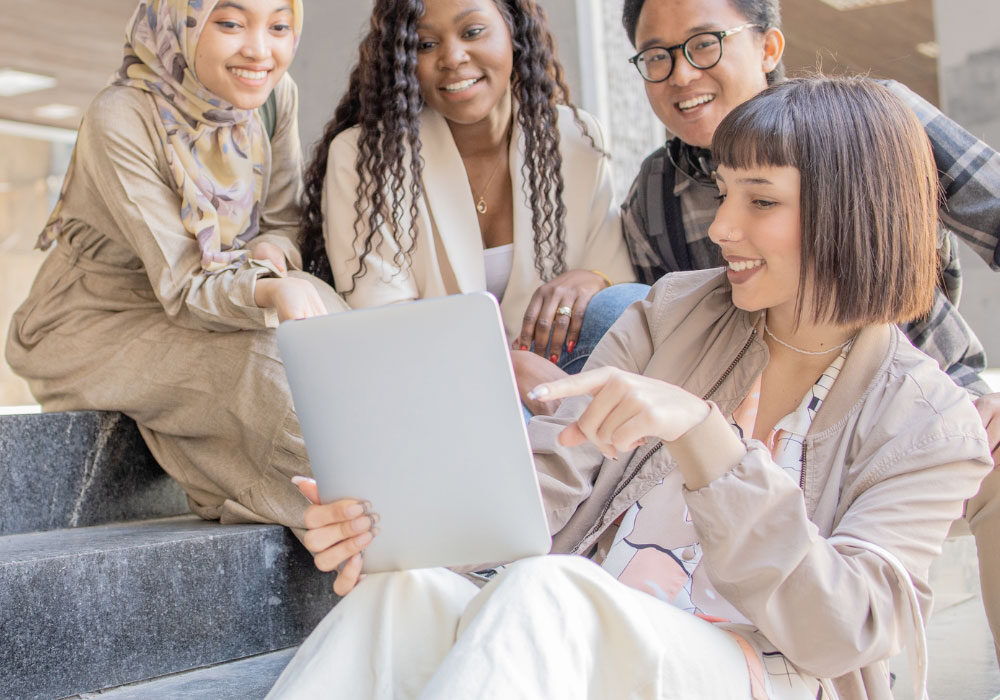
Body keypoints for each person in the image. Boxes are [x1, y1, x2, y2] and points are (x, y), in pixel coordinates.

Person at [269, 78, 992, 700]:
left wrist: (705, 438)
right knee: (405, 594)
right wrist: (392, 526)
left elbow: (845, 631)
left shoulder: (931, 424)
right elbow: (544, 482)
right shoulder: (672, 312)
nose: (725, 227)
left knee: (548, 590)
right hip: (589, 647)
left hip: (767, 675)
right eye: (723, 193)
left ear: (853, 212)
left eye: (762, 202)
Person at [618, 0, 1000, 664]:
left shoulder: (877, 124)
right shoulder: (653, 193)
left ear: (768, 47)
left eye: (705, 44)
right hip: (757, 430)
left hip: (931, 409)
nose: (681, 74)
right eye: (657, 56)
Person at [5, 0, 344, 531]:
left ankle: (394, 499)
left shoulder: (276, 97)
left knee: (337, 328)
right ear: (181, 22)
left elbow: (282, 221)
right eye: (231, 23)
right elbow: (184, 283)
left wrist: (275, 259)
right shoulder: (121, 115)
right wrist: (268, 290)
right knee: (266, 371)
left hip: (212, 294)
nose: (261, 49)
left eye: (279, 26)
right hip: (93, 322)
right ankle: (355, 520)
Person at [298, 0, 642, 415]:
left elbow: (621, 287)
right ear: (405, 59)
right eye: (425, 44)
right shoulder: (364, 157)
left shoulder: (576, 139)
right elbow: (383, 326)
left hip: (559, 378)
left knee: (621, 307)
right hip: (436, 390)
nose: (453, 57)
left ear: (513, 30)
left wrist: (595, 279)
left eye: (473, 32)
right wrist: (500, 365)